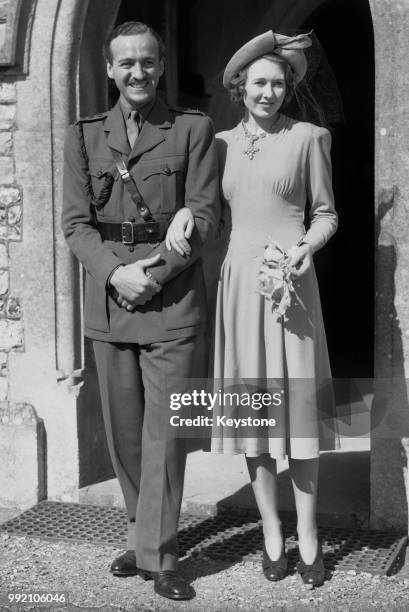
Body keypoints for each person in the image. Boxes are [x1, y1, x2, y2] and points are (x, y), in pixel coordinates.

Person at [166, 30, 338, 588]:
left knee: (302, 416)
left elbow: (326, 214)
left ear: (289, 88)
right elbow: (203, 208)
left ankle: (308, 534)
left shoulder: (310, 137)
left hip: (293, 286)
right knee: (254, 412)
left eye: (278, 83)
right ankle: (271, 532)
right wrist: (182, 218)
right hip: (241, 285)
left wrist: (306, 247)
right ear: (241, 88)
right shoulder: (215, 144)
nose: (268, 92)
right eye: (258, 83)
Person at [62, 21, 219, 601]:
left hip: (171, 299)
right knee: (126, 433)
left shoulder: (192, 129)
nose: (137, 73)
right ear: (109, 69)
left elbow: (203, 218)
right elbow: (76, 224)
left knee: (166, 433)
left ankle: (162, 553)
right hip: (110, 299)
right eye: (126, 63)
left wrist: (147, 276)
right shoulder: (82, 136)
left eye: (147, 63)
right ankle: (140, 533)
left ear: (160, 65)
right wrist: (114, 273)